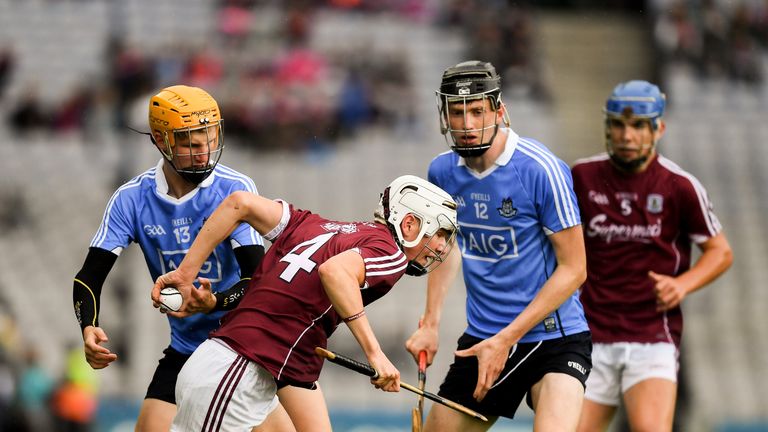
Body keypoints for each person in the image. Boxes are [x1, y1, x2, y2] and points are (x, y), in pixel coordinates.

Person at [71, 84, 301, 432]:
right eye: (191, 143)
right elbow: (88, 277)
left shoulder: (234, 189)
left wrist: (214, 302)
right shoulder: (130, 200)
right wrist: (88, 327)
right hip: (186, 348)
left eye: (209, 140)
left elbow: (255, 278)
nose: (204, 152)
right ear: (161, 141)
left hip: (243, 348)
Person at [151, 174, 458, 431]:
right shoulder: (391, 253)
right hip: (236, 373)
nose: (442, 246)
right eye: (441, 234)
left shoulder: (311, 224)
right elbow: (335, 272)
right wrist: (376, 355)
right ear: (409, 224)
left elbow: (239, 203)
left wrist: (186, 273)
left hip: (238, 371)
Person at [405, 60, 592, 431]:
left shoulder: (540, 169)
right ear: (444, 116)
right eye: (457, 113)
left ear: (499, 111)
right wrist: (430, 323)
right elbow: (445, 250)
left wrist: (508, 338)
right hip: (483, 338)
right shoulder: (442, 172)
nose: (468, 124)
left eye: (477, 111)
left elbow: (575, 269)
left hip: (554, 338)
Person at [571, 80, 733, 432]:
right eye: (618, 125)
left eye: (638, 126)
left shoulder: (680, 186)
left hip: (651, 336)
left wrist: (682, 285)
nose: (627, 135)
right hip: (587, 335)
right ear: (607, 127)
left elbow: (720, 252)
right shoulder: (580, 176)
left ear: (658, 128)